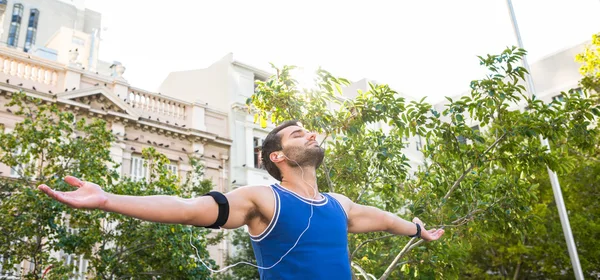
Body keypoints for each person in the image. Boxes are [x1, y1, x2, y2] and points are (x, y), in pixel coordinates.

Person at [39, 120, 444, 279]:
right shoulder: (263, 198)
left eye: (310, 131)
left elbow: (389, 220)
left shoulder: (339, 205)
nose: (311, 135)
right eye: (297, 134)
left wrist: (420, 231)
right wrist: (109, 199)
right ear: (277, 156)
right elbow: (188, 208)